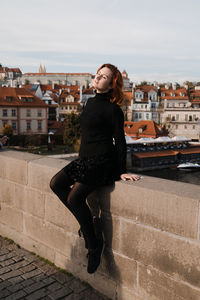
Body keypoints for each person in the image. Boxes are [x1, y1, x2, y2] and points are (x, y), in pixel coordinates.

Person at [50, 63, 141, 274]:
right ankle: (89, 224)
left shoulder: (113, 110)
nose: (98, 77)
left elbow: (120, 141)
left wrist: (121, 170)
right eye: (98, 74)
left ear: (111, 85)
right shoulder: (89, 102)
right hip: (85, 159)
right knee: (56, 184)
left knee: (74, 198)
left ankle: (93, 243)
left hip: (102, 161)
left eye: (104, 76)